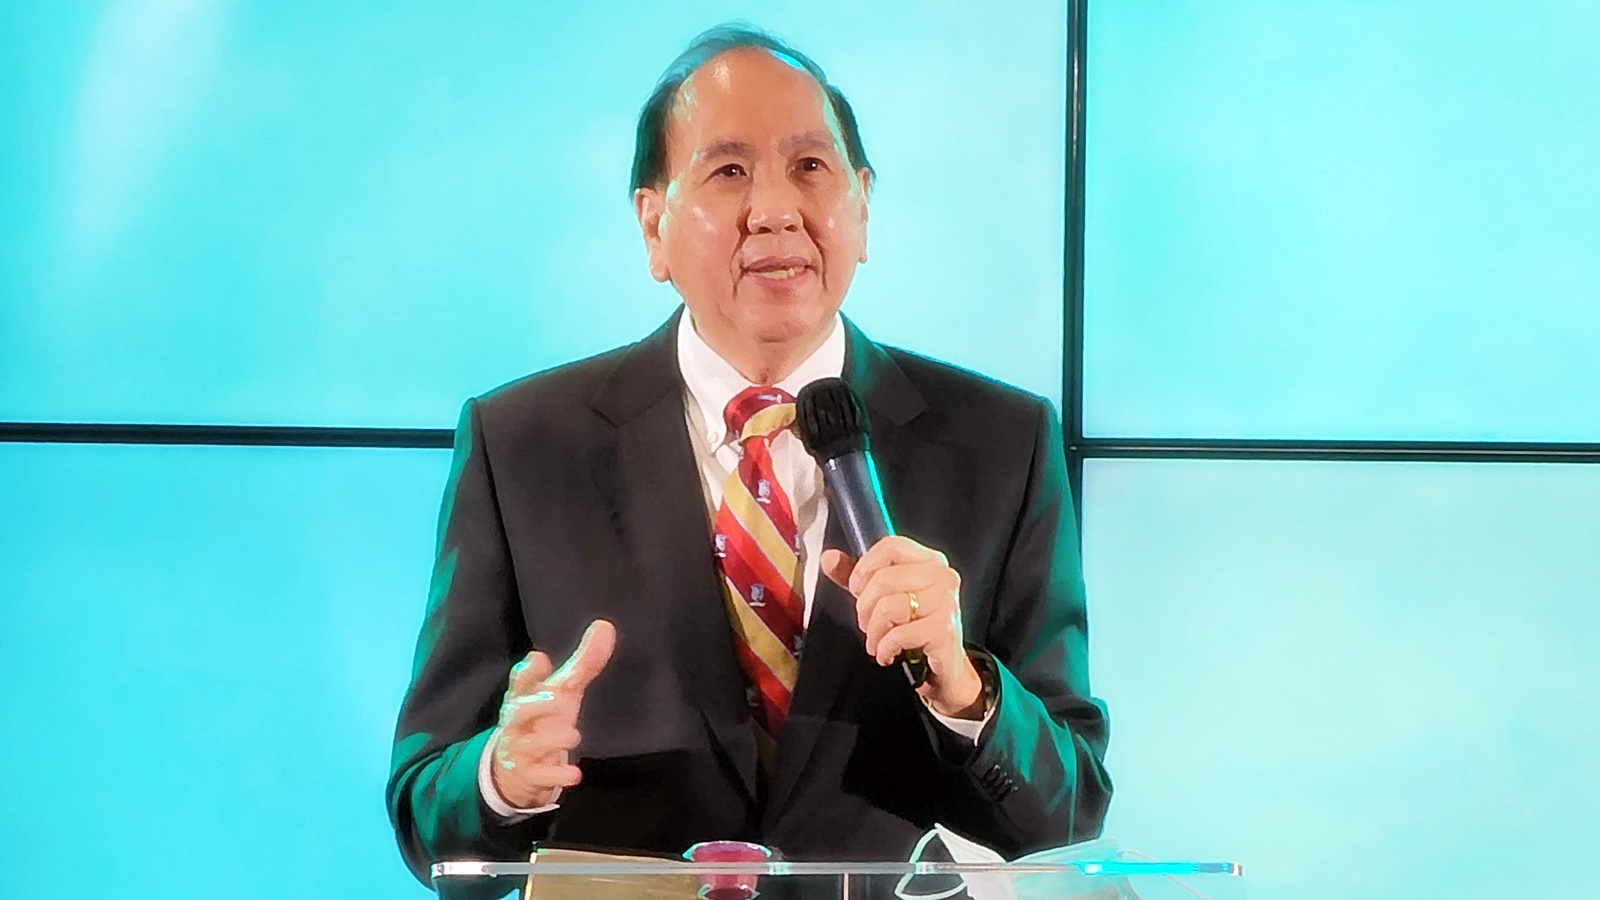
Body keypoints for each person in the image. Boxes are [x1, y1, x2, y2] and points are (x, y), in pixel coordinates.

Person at [387, 24, 1111, 886]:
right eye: (729, 171)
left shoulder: (1001, 443)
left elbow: (1071, 809)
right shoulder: (522, 444)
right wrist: (500, 780)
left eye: (810, 166)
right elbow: (424, 815)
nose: (775, 208)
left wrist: (966, 690)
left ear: (863, 207)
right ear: (652, 227)